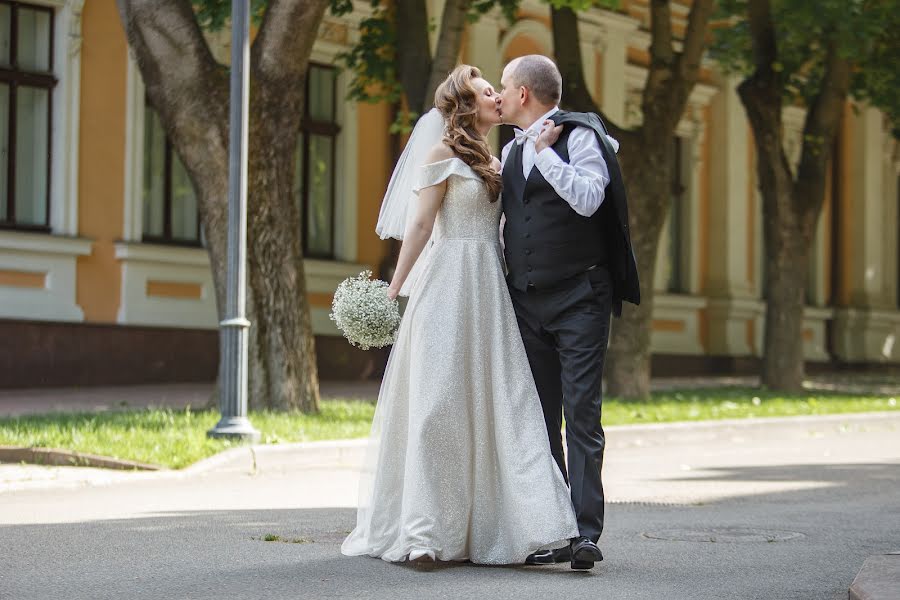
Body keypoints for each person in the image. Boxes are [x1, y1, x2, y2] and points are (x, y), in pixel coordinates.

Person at [341, 65, 578, 565]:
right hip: (447, 282)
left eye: (496, 90)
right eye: (486, 92)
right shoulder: (441, 154)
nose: (496, 96)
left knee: (502, 406)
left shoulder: (498, 159)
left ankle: (515, 526)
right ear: (465, 107)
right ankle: (426, 533)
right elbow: (423, 223)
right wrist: (395, 290)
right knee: (437, 406)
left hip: (490, 287)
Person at [495, 54, 640, 570]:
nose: (500, 94)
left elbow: (587, 198)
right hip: (526, 300)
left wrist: (547, 154)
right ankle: (553, 525)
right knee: (539, 418)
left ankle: (585, 533)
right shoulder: (509, 151)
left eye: (505, 87)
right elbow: (509, 223)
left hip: (581, 296)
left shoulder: (581, 137)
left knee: (581, 413)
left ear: (525, 95)